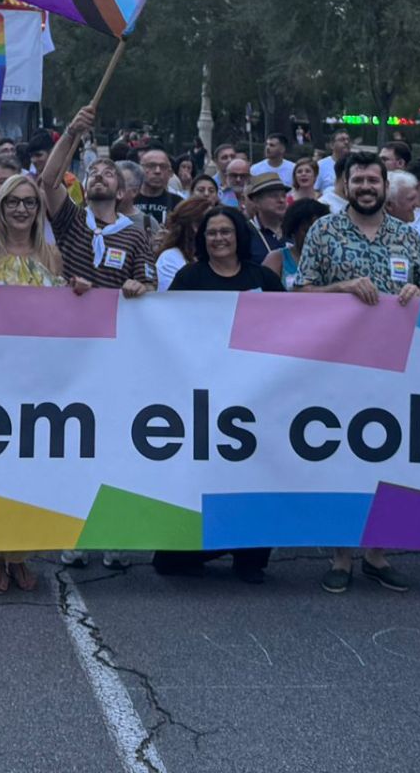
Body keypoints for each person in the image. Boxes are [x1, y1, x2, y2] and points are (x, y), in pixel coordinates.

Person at [292, 149, 420, 594]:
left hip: (392, 366)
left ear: (385, 185)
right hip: (337, 366)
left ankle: (377, 553)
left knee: (388, 457)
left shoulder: (408, 237)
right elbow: (302, 293)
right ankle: (341, 556)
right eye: (358, 180)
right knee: (340, 458)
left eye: (373, 180)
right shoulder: (324, 232)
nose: (366, 187)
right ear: (345, 185)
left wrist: (413, 292)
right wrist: (341, 288)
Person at [0, 172, 89, 593]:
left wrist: (78, 291)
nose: (21, 209)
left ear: (39, 209)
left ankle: (20, 554)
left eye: (30, 202)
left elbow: (62, 317)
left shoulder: (51, 255)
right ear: (1, 205)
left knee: (29, 472)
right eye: (14, 201)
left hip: (36, 381)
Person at [154, 203, 279, 584]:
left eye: (225, 232)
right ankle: (210, 543)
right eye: (211, 233)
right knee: (205, 483)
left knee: (254, 478)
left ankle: (251, 557)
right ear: (201, 240)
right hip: (205, 399)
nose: (219, 238)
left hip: (258, 398)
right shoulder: (190, 278)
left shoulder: (264, 278)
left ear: (239, 236)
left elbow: (291, 328)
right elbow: (164, 327)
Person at [38, 106, 153, 297]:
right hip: (67, 320)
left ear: (120, 193)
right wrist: (71, 132)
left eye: (108, 174)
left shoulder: (136, 235)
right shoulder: (71, 218)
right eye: (93, 173)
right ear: (85, 187)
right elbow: (49, 180)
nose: (99, 176)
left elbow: (149, 285)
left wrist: (139, 287)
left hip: (111, 324)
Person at [152, 194, 215, 292]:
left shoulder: (217, 256)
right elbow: (174, 299)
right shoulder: (170, 258)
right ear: (194, 227)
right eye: (210, 225)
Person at [266, 198, 332, 289]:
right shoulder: (277, 258)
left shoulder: (333, 259)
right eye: (306, 231)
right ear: (293, 230)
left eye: (319, 231)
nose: (313, 236)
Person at [240, 171, 291, 263]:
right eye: (274, 196)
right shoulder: (245, 232)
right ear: (256, 202)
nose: (281, 200)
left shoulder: (293, 230)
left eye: (283, 195)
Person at [133, 148, 182, 224]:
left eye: (163, 166)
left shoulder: (178, 204)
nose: (157, 171)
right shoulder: (128, 200)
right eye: (151, 166)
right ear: (140, 168)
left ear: (169, 172)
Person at [317, 130, 353, 197]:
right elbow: (314, 191)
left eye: (348, 140)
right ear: (332, 145)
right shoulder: (321, 165)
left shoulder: (355, 164)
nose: (346, 142)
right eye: (342, 140)